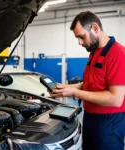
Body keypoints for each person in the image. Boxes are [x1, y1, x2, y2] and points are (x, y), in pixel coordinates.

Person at [50, 11, 125, 150]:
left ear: (95, 28)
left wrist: (75, 93)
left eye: (82, 37)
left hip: (109, 124)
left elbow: (116, 98)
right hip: (90, 118)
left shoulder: (118, 54)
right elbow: (93, 83)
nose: (80, 43)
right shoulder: (94, 52)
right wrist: (69, 88)